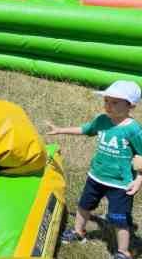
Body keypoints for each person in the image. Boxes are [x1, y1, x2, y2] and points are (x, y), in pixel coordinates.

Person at [48, 80, 142, 259]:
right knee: (84, 206)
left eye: (115, 102)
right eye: (106, 101)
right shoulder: (102, 120)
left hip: (121, 184)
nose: (108, 105)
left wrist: (138, 180)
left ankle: (123, 252)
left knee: (119, 219)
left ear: (131, 105)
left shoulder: (134, 130)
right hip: (96, 177)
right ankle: (78, 231)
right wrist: (60, 130)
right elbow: (85, 129)